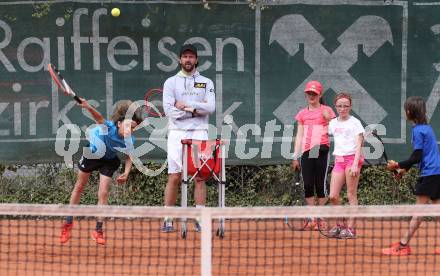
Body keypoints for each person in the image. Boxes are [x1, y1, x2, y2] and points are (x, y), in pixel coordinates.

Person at [60, 99, 143, 245]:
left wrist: (127, 172)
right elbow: (98, 118)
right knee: (79, 187)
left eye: (133, 128)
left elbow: (130, 156)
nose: (130, 130)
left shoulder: (130, 139)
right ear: (119, 123)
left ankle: (98, 230)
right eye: (128, 125)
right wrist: (87, 106)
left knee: (103, 193)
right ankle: (68, 223)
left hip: (109, 159)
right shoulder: (108, 128)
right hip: (92, 154)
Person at [161, 44, 215, 232]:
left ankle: (199, 218)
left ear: (197, 60)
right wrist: (194, 111)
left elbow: (210, 108)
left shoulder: (206, 82)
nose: (188, 60)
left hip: (200, 133)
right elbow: (170, 111)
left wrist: (185, 105)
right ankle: (168, 219)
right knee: (174, 176)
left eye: (191, 56)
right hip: (176, 134)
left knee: (200, 177)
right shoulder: (170, 83)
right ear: (179, 60)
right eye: (185, 56)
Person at [382, 96, 440, 256]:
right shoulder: (426, 128)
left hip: (430, 174)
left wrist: (397, 166)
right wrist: (404, 170)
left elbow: (416, 157)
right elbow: (422, 155)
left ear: (409, 112)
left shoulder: (418, 130)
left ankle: (403, 245)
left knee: (418, 211)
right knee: (437, 210)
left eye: (405, 109)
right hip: (437, 172)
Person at [292, 80, 336, 230]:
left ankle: (321, 217)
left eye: (314, 93)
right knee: (308, 185)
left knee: (320, 185)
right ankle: (312, 217)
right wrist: (295, 156)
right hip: (306, 152)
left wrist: (328, 119)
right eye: (309, 93)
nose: (312, 96)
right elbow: (299, 135)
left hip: (322, 150)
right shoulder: (302, 114)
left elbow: (336, 129)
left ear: (320, 94)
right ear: (306, 94)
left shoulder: (327, 110)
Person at [327, 92, 365, 239]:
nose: (342, 108)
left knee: (351, 194)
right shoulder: (332, 123)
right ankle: (339, 225)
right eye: (339, 106)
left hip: (352, 161)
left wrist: (355, 164)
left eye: (345, 106)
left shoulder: (355, 122)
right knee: (333, 196)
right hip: (339, 160)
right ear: (335, 106)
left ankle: (350, 229)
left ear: (350, 107)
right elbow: (324, 133)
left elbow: (359, 143)